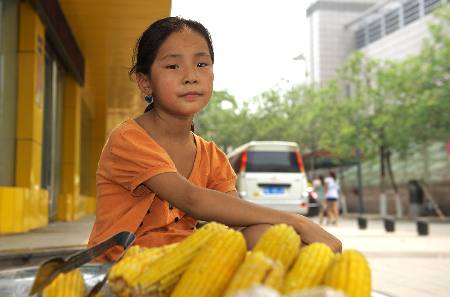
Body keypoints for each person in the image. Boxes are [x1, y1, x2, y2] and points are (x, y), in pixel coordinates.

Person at [88, 16, 341, 261]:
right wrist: (296, 220)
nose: (191, 76)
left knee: (273, 235)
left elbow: (237, 222)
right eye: (173, 66)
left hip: (182, 268)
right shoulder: (129, 139)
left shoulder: (212, 156)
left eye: (201, 64)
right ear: (145, 83)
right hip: (118, 273)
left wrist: (299, 240)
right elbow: (192, 199)